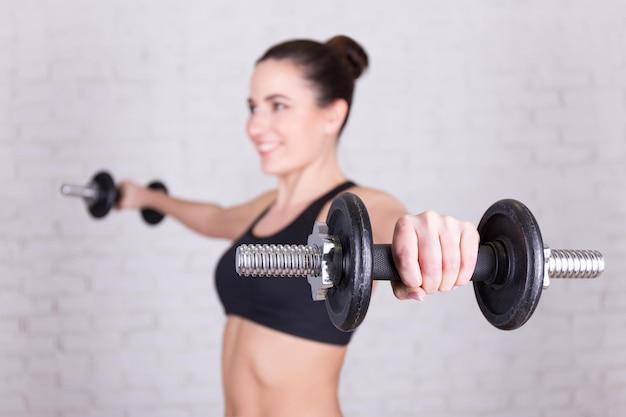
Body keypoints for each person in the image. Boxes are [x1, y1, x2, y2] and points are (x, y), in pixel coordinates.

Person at [118, 35, 479, 417]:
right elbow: (213, 218)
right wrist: (146, 198)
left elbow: (400, 231)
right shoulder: (266, 207)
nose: (255, 126)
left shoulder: (362, 209)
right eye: (253, 107)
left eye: (278, 106)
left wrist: (428, 238)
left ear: (332, 116)